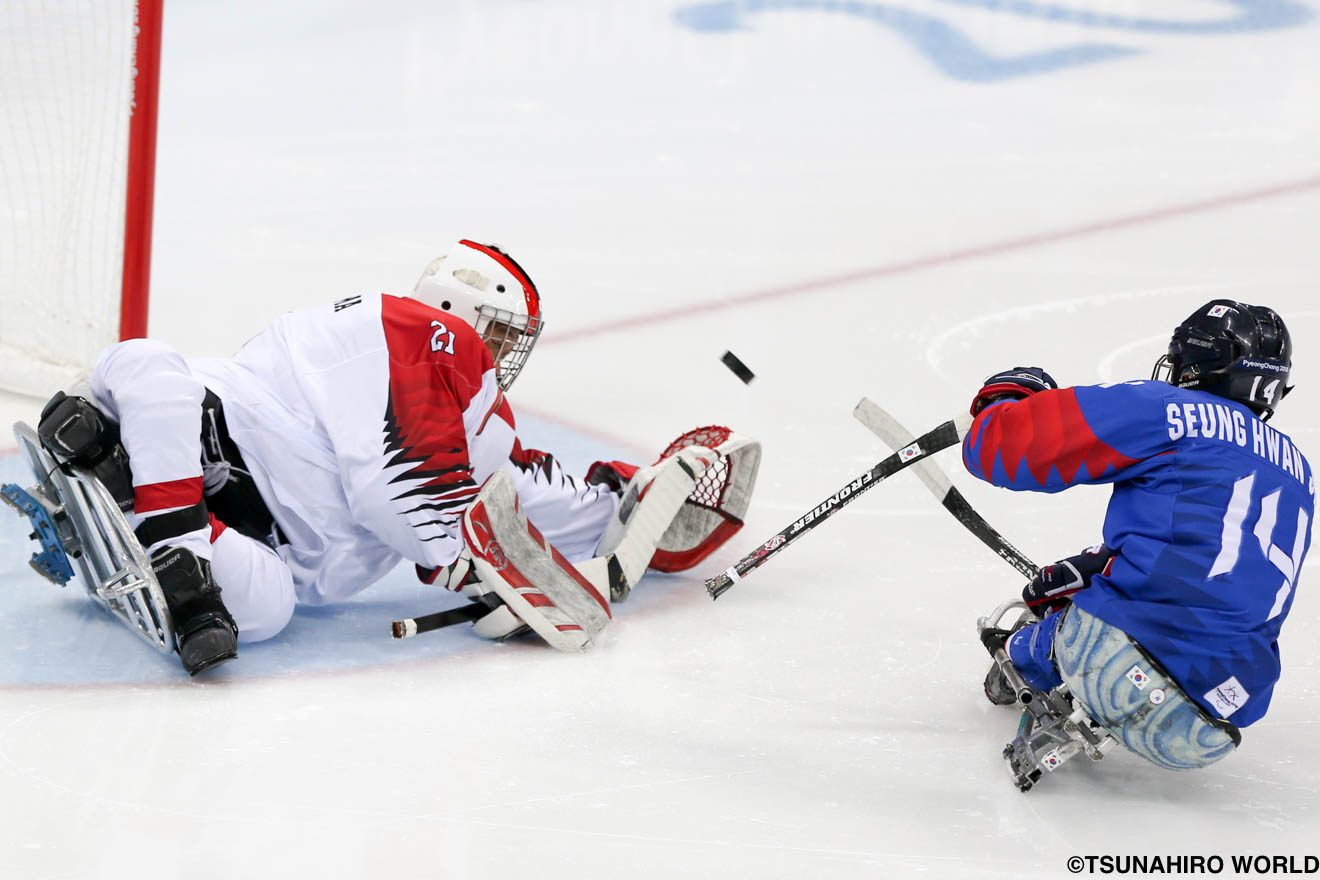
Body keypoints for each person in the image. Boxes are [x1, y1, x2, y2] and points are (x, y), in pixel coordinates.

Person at [33, 240, 758, 674]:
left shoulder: (475, 430)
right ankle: (172, 538)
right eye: (499, 333)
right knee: (148, 367)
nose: (501, 354)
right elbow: (396, 489)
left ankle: (134, 508)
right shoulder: (403, 330)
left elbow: (531, 500)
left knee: (267, 610)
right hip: (195, 435)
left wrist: (642, 507)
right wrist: (487, 568)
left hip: (241, 536)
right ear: (456, 312)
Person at [964, 299, 1311, 777]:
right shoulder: (1298, 472)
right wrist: (1099, 564)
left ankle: (1024, 658)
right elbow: (1212, 568)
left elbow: (1001, 450)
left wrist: (1008, 401)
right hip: (1220, 717)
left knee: (1033, 642)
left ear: (1201, 363)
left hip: (1118, 665)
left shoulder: (1167, 409)